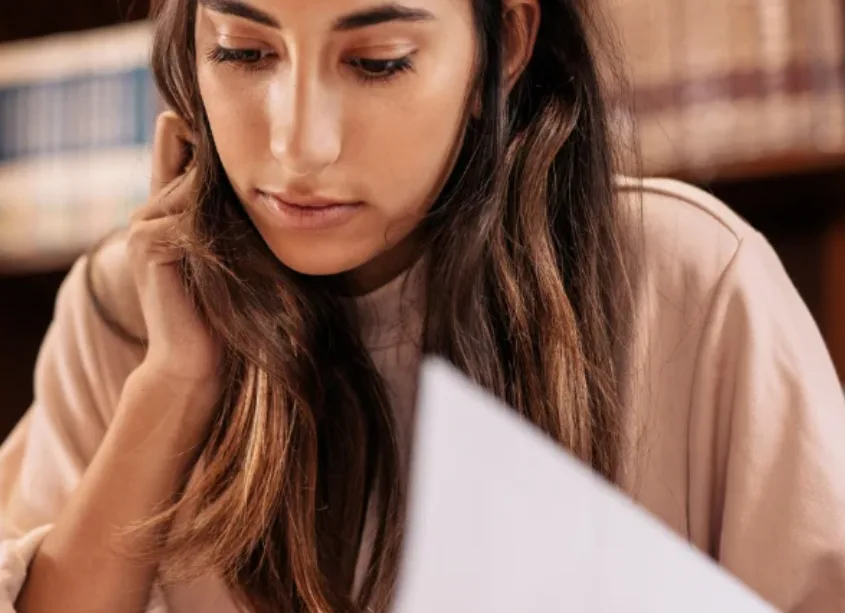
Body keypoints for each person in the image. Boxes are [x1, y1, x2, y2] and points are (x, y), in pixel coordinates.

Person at [2, 0, 844, 611]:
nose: (298, 146)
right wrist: (175, 386)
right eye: (243, 52)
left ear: (502, 45)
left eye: (375, 62)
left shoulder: (688, 282)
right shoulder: (130, 305)